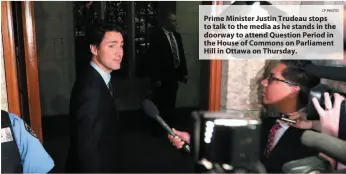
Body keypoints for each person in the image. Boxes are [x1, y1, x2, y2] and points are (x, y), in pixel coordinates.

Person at [168, 60, 320, 173]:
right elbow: (236, 151)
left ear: (293, 90)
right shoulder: (269, 124)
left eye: (272, 78)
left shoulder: (313, 139)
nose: (263, 83)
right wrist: (192, 140)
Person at [65, 22, 124, 172]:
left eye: (121, 45)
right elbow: (87, 151)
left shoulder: (101, 78)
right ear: (94, 49)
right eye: (112, 46)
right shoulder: (90, 90)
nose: (119, 53)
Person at [146, 12, 188, 129]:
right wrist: (156, 78)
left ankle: (169, 127)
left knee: (171, 102)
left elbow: (181, 55)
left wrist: (184, 73)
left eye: (176, 21)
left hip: (174, 75)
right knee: (159, 102)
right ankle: (157, 128)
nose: (175, 23)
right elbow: (153, 59)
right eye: (173, 21)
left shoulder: (177, 36)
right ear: (167, 22)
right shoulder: (157, 36)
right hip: (162, 76)